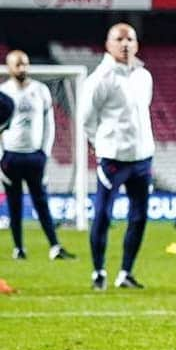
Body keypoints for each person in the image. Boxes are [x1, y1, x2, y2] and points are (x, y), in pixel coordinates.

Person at [81, 23, 154, 290]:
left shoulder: (144, 76)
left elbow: (142, 111)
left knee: (139, 217)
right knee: (103, 214)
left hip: (143, 158)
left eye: (130, 39)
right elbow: (86, 119)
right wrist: (98, 145)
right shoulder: (99, 79)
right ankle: (98, 271)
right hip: (112, 159)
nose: (125, 44)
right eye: (119, 39)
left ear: (136, 44)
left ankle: (125, 273)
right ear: (107, 44)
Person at [1, 50, 74, 260]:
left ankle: (54, 247)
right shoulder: (3, 92)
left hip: (34, 156)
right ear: (9, 67)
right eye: (17, 64)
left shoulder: (40, 90)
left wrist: (44, 152)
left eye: (25, 63)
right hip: (11, 156)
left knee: (41, 202)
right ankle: (19, 248)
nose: (22, 68)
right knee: (14, 204)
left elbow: (49, 124)